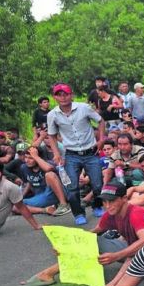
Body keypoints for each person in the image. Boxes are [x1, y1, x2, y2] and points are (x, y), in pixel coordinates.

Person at [19, 181, 144, 286]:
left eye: (112, 201)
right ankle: (47, 274)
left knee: (135, 253)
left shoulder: (136, 212)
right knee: (89, 241)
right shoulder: (110, 214)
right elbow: (89, 235)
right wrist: (65, 247)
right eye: (104, 201)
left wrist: (116, 255)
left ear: (124, 199)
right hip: (131, 249)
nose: (107, 206)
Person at [47, 82, 106, 226]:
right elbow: (52, 135)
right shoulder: (52, 115)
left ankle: (97, 206)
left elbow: (100, 121)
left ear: (71, 95)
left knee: (97, 184)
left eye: (66, 94)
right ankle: (79, 213)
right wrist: (56, 153)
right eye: (59, 95)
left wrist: (101, 139)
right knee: (72, 187)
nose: (63, 97)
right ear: (55, 97)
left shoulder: (83, 108)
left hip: (91, 151)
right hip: (71, 154)